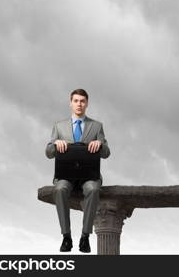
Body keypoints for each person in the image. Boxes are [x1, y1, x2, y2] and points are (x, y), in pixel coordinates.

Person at [45, 89, 110, 253]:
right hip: (66, 176)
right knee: (59, 189)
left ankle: (85, 237)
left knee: (94, 189)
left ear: (86, 103)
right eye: (76, 101)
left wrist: (100, 145)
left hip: (89, 176)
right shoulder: (58, 126)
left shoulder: (97, 126)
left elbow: (107, 153)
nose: (79, 104)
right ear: (71, 103)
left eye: (82, 101)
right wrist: (55, 144)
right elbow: (48, 153)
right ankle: (66, 236)